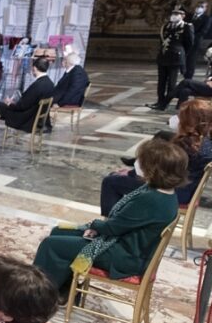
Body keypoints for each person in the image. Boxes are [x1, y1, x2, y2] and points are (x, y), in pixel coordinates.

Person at [34, 138, 186, 299]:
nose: (137, 163)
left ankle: (38, 297)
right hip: (128, 247)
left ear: (153, 168)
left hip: (123, 255)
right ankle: (63, 291)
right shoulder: (165, 192)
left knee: (50, 245)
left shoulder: (151, 199)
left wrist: (93, 225)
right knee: (58, 231)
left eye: (141, 160)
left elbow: (113, 228)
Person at [99, 100, 212, 214]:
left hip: (170, 193)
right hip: (187, 192)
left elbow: (160, 173)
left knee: (111, 181)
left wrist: (131, 173)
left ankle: (111, 226)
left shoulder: (183, 144)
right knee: (121, 178)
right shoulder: (206, 142)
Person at [149, 7, 194, 111]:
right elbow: (162, 41)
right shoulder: (166, 26)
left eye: (177, 14)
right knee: (161, 81)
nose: (174, 15)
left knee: (171, 83)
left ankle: (165, 103)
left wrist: (181, 54)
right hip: (163, 57)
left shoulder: (187, 27)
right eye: (173, 13)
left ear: (183, 16)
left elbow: (189, 43)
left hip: (175, 58)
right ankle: (159, 101)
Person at [0, 57, 54, 132]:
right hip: (35, 115)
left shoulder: (37, 85)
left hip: (26, 118)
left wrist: (10, 104)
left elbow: (22, 106)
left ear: (34, 68)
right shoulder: (50, 83)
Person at [46, 52, 90, 131]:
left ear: (68, 62)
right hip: (61, 95)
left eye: (64, 60)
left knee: (42, 102)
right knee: (40, 96)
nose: (62, 61)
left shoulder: (78, 73)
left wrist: (60, 104)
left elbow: (72, 92)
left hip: (71, 100)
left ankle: (45, 125)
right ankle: (42, 122)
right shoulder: (72, 70)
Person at [185, 2, 210, 80]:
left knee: (191, 61)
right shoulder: (189, 17)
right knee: (184, 60)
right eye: (198, 6)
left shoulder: (206, 18)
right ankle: (184, 74)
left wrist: (192, 38)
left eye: (202, 6)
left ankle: (188, 78)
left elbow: (203, 32)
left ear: (205, 9)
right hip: (185, 42)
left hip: (195, 42)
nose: (199, 8)